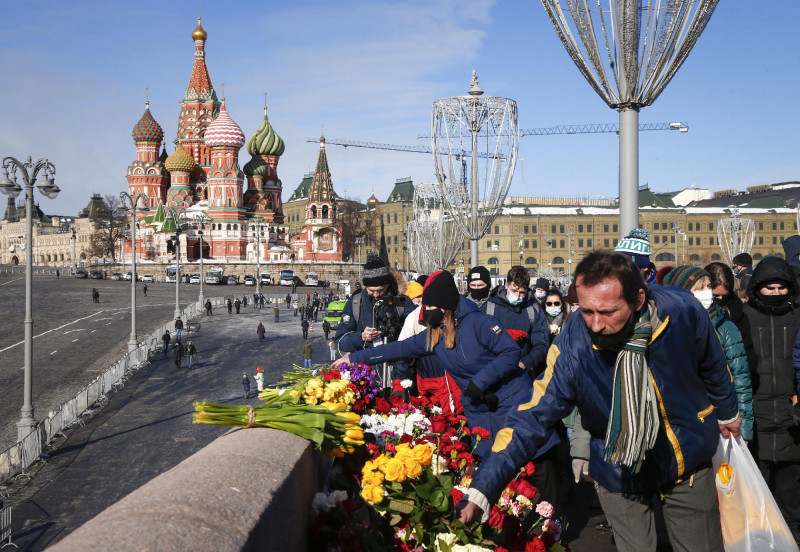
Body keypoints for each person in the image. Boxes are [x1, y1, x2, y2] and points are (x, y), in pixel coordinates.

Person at [457, 251, 741, 552]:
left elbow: (713, 365)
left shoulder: (683, 310)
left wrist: (727, 413)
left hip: (685, 456)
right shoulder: (574, 344)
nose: (594, 324)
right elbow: (531, 417)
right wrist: (482, 488)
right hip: (616, 466)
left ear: (638, 301)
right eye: (587, 310)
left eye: (607, 312)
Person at [333, 270, 557, 460]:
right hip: (480, 409)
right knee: (490, 465)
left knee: (527, 460)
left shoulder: (479, 323)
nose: (425, 310)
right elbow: (398, 349)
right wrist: (353, 359)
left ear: (445, 307)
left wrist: (480, 382)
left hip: (510, 401)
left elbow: (510, 353)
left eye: (430, 305)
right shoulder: (434, 335)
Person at [659, 266, 754, 443]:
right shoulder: (662, 328)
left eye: (709, 286)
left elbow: (741, 380)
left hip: (721, 424)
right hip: (676, 427)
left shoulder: (725, 327)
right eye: (700, 288)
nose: (707, 293)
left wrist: (744, 430)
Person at [744, 256, 800, 541]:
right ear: (757, 289)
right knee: (757, 491)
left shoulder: (798, 315)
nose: (776, 293)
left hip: (792, 416)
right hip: (757, 412)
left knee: (792, 493)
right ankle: (761, 541)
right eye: (770, 288)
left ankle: (792, 540)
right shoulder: (745, 316)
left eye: (781, 288)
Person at [393, 279, 463, 415]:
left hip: (461, 394)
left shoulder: (462, 316)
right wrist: (399, 384)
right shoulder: (415, 318)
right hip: (430, 392)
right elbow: (401, 354)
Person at [333, 252, 414, 354]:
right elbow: (340, 342)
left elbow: (416, 336)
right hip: (364, 367)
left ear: (387, 285)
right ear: (365, 286)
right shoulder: (355, 303)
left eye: (380, 290)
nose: (376, 295)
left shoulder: (402, 302)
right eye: (371, 290)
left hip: (394, 364)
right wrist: (360, 337)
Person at [481, 266, 549, 379]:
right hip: (493, 371)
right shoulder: (489, 308)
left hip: (522, 372)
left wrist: (525, 363)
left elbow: (541, 344)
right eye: (514, 290)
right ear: (506, 285)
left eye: (522, 292)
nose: (517, 296)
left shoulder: (533, 309)